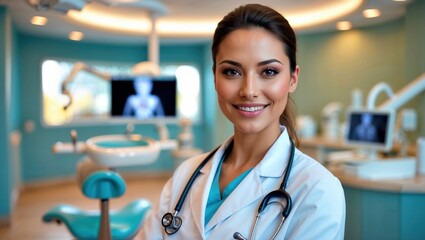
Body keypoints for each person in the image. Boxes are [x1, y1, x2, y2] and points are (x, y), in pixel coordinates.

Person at [140, 4, 345, 239]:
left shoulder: (317, 189)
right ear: (215, 78)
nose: (249, 91)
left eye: (268, 71)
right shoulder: (186, 174)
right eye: (232, 72)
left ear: (292, 79)